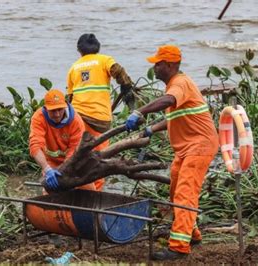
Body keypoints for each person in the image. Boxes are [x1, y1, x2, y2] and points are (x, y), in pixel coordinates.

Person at [125, 45, 219, 260]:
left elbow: (168, 101)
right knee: (176, 190)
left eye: (157, 64)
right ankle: (191, 234)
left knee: (185, 194)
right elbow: (174, 117)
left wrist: (140, 111)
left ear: (169, 65)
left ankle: (178, 247)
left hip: (199, 146)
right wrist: (152, 128)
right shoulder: (175, 86)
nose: (154, 68)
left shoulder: (179, 83)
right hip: (186, 149)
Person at [67, 33, 133, 191]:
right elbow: (118, 71)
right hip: (99, 120)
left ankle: (75, 188)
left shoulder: (74, 67)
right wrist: (126, 87)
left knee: (78, 155)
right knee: (99, 157)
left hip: (77, 117)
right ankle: (95, 191)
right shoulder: (104, 60)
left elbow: (69, 98)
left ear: (79, 50)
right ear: (98, 48)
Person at [29, 89, 95, 192]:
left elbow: (74, 151)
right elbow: (35, 146)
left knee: (89, 190)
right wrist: (46, 169)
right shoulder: (38, 118)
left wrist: (66, 173)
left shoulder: (76, 121)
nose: (57, 114)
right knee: (50, 193)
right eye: (53, 111)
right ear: (46, 109)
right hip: (51, 163)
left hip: (74, 162)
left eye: (60, 109)